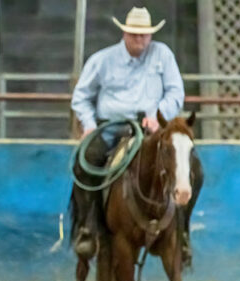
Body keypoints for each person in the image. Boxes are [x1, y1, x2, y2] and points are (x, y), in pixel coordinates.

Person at [70, 7, 201, 262]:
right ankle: (88, 227)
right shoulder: (102, 60)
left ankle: (182, 232)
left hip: (151, 129)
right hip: (111, 127)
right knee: (85, 162)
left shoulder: (163, 55)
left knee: (194, 167)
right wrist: (88, 124)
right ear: (125, 33)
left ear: (151, 35)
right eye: (135, 34)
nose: (140, 39)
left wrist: (159, 114)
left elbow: (176, 92)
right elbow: (81, 96)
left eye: (145, 35)